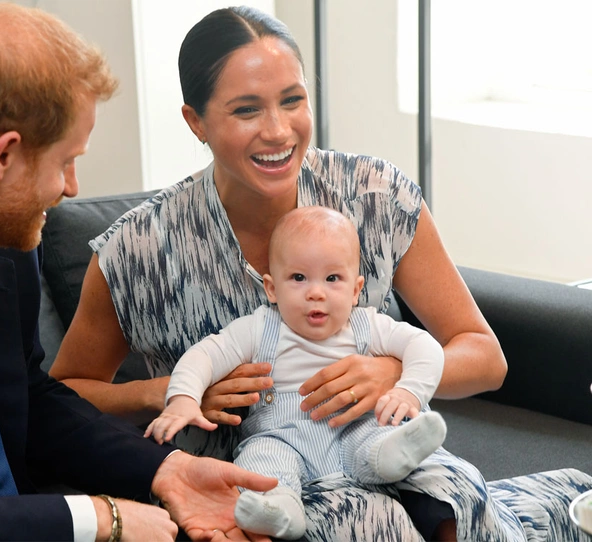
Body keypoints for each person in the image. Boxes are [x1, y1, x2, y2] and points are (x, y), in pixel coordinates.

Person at [50, 5, 592, 540]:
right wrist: (167, 392)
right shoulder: (136, 249)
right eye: (246, 110)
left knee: (459, 494)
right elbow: (64, 394)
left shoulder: (375, 196)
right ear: (196, 122)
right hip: (248, 485)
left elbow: (484, 356)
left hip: (378, 447)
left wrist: (391, 374)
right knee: (363, 519)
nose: (278, 130)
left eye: (293, 100)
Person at [0, 4, 280, 541]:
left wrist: (165, 470)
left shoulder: (2, 247)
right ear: (4, 156)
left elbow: (28, 400)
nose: (73, 188)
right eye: (66, 161)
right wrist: (102, 519)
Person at [146, 206, 450, 539]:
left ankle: (391, 457)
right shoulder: (259, 328)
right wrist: (183, 398)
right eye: (299, 278)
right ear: (272, 288)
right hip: (281, 437)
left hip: (352, 428)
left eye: (332, 278)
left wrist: (409, 391)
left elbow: (425, 346)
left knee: (375, 437)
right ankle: (279, 509)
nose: (316, 292)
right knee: (260, 462)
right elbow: (204, 354)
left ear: (355, 289)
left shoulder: (367, 326)